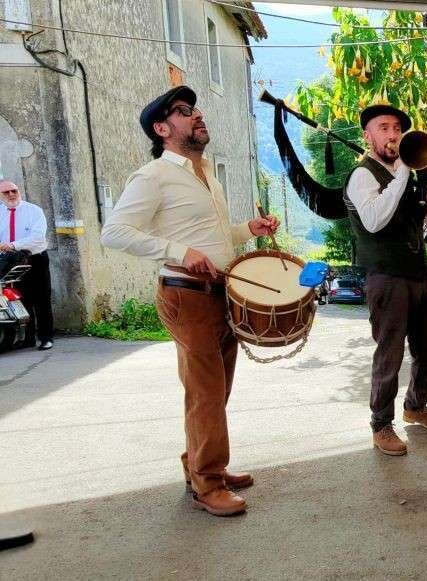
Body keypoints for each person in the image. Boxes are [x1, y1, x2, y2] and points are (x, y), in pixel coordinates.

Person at [101, 86, 279, 516]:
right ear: (162, 129)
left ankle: (200, 464)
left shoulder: (206, 175)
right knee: (206, 391)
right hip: (187, 295)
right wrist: (181, 254)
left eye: (194, 109)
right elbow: (115, 232)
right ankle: (208, 483)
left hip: (220, 293)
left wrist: (245, 230)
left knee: (214, 391)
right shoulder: (153, 175)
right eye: (184, 112)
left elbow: (207, 237)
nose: (196, 115)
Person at [343, 103, 427, 455]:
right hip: (386, 276)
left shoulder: (408, 173)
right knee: (389, 353)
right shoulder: (363, 174)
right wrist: (404, 172)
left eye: (397, 128)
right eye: (384, 127)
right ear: (368, 135)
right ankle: (381, 424)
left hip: (418, 272)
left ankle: (415, 406)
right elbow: (374, 220)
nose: (392, 134)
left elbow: (416, 224)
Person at [0, 180, 54, 350]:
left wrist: (13, 245)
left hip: (35, 258)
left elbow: (37, 237)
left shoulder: (33, 211)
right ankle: (28, 339)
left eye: (13, 190)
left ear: (18, 191)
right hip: (11, 261)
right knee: (22, 299)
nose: (11, 194)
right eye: (6, 192)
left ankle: (46, 337)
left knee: (42, 300)